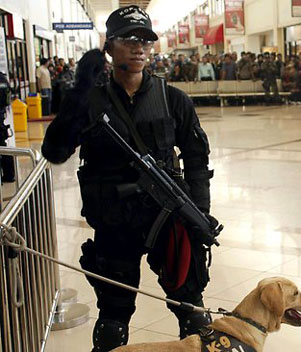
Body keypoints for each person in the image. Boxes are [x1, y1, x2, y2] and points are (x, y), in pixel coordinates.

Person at [41, 5, 217, 351]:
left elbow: (197, 160)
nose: (139, 47)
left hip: (168, 221)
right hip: (114, 222)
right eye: (129, 39)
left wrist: (199, 213)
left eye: (146, 41)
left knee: (192, 311)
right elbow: (55, 151)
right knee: (112, 322)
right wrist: (77, 96)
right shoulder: (91, 101)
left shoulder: (172, 99)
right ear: (109, 46)